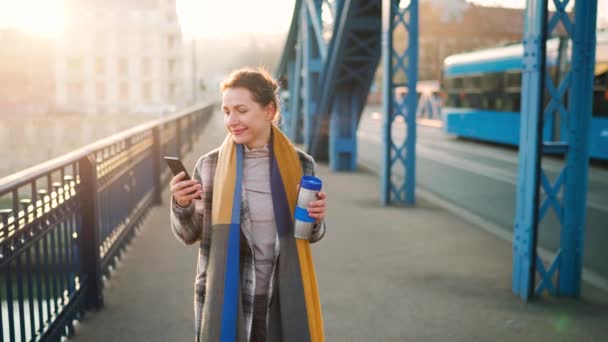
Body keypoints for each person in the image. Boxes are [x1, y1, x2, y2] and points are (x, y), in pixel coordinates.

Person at [169, 67, 327, 342]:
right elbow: (189, 234)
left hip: (282, 293)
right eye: (227, 111)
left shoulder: (302, 165)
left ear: (269, 111)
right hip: (230, 296)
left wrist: (316, 218)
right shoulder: (209, 166)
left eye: (241, 110)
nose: (232, 120)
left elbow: (309, 234)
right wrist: (182, 204)